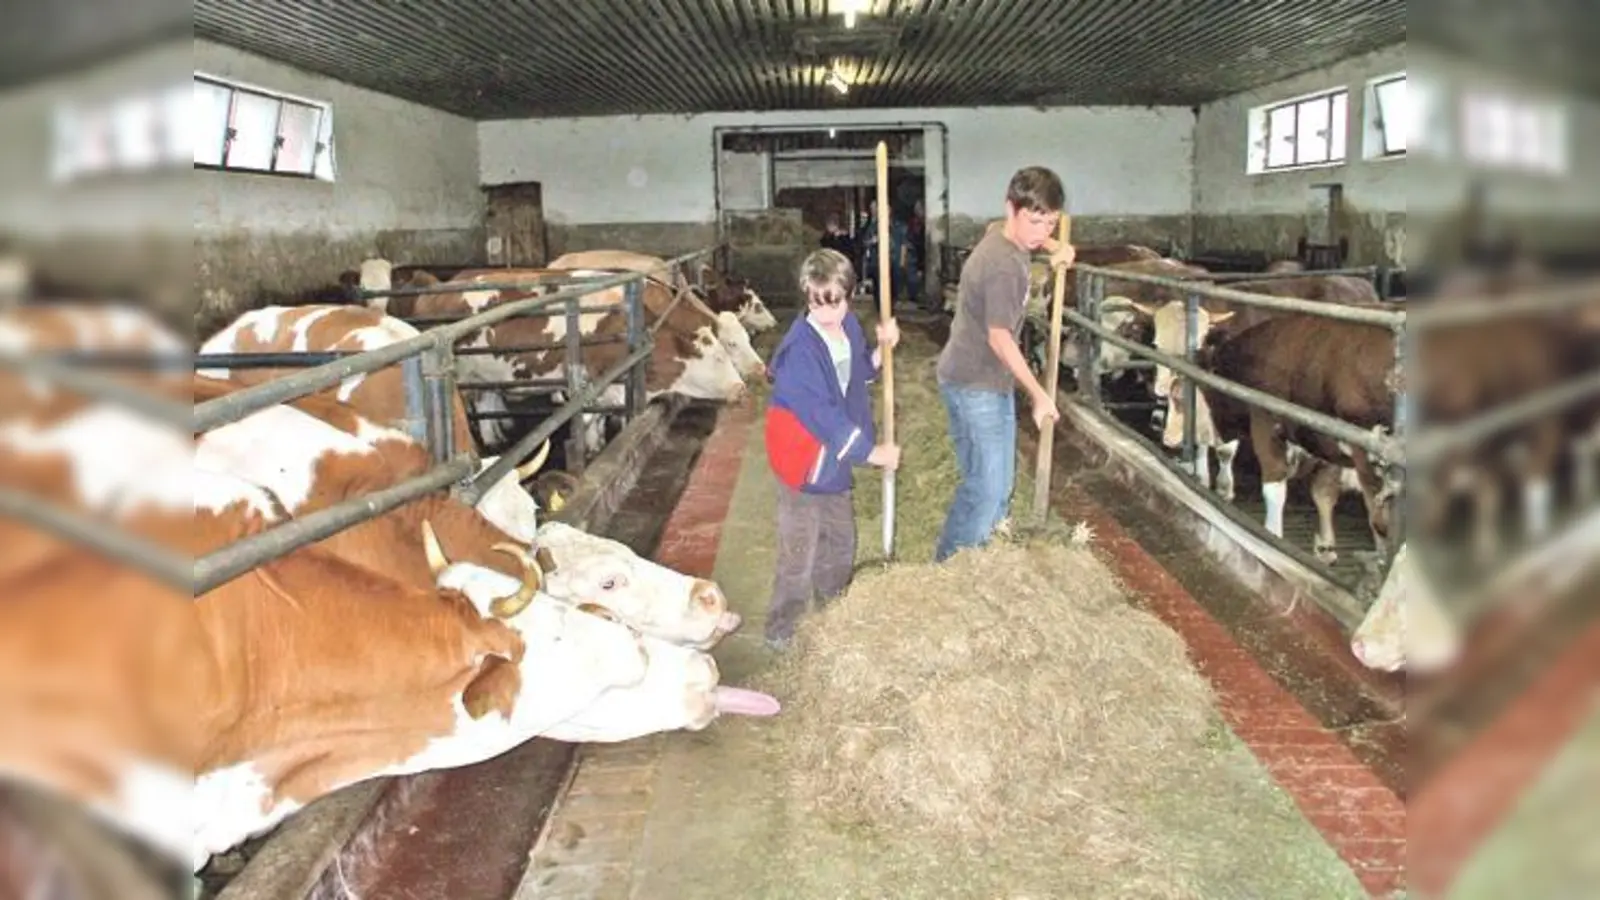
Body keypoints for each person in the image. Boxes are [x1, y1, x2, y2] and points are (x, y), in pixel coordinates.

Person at [932, 166, 1075, 563]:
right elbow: (1000, 338)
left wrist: (1052, 248)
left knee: (985, 483)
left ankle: (958, 563)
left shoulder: (1002, 236)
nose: (1041, 231)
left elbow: (1004, 227)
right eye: (1034, 220)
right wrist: (1039, 393)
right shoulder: (1004, 266)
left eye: (1050, 222)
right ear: (1011, 208)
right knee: (992, 489)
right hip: (978, 383)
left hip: (963, 374)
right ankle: (961, 569)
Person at [762, 248, 901, 650]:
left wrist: (880, 352)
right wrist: (871, 453)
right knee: (799, 550)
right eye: (816, 303)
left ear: (848, 295)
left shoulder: (850, 326)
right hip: (803, 460)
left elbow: (856, 373)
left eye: (835, 302)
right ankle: (781, 630)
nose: (826, 313)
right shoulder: (798, 353)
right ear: (807, 296)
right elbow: (823, 414)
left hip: (833, 462)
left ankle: (832, 613)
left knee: (841, 542)